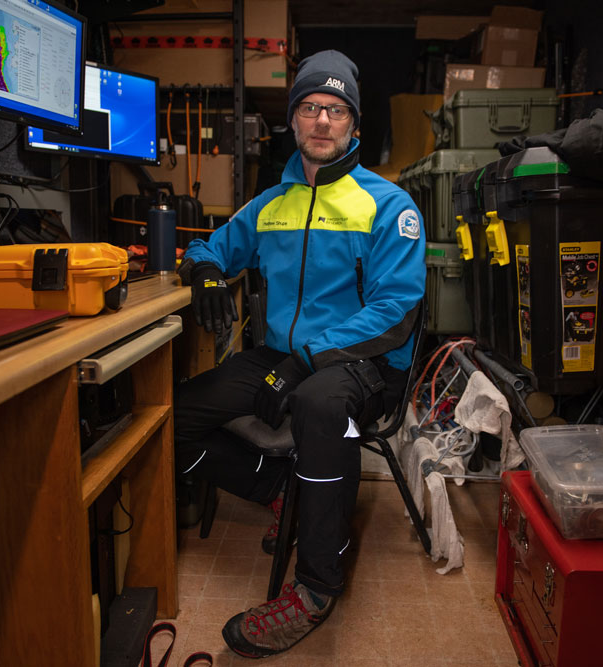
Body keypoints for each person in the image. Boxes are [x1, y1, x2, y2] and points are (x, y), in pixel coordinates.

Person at [174, 49, 426, 659]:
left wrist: (306, 361)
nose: (321, 121)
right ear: (293, 119)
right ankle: (279, 490)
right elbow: (211, 247)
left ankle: (316, 587)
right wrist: (204, 271)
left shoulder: (389, 207)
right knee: (170, 417)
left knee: (318, 406)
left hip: (365, 365)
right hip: (281, 355)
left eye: (335, 111)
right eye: (310, 107)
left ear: (354, 125)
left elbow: (395, 313)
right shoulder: (269, 204)